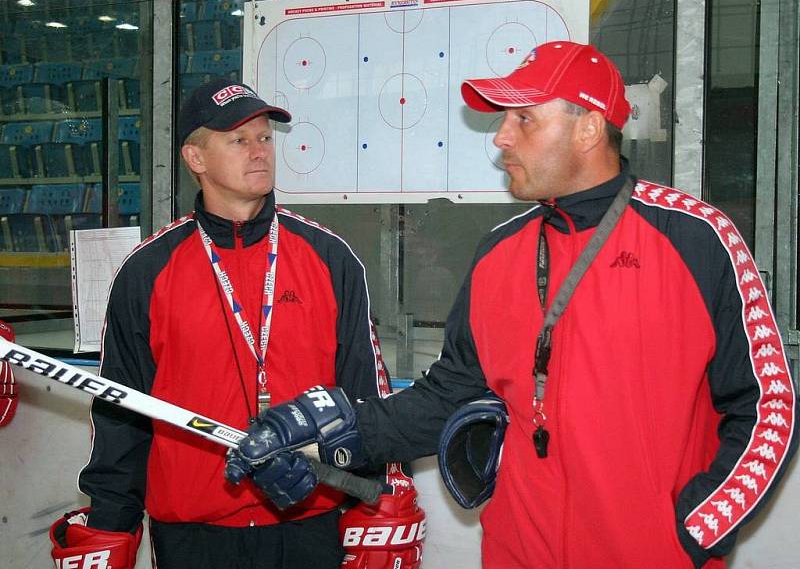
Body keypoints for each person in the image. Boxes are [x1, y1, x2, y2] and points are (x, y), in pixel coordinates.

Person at [226, 41, 798, 568]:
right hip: (517, 551)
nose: (500, 138)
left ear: (589, 127)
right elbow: (446, 395)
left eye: (523, 119)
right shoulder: (499, 252)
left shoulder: (697, 239)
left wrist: (696, 530)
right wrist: (324, 433)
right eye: (504, 119)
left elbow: (769, 405)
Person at [50, 77, 424, 569]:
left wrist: (375, 489)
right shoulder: (148, 271)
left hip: (308, 516)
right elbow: (122, 409)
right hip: (193, 530)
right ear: (196, 158)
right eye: (238, 140)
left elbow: (364, 392)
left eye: (265, 138)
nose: (259, 152)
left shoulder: (328, 257)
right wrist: (110, 520)